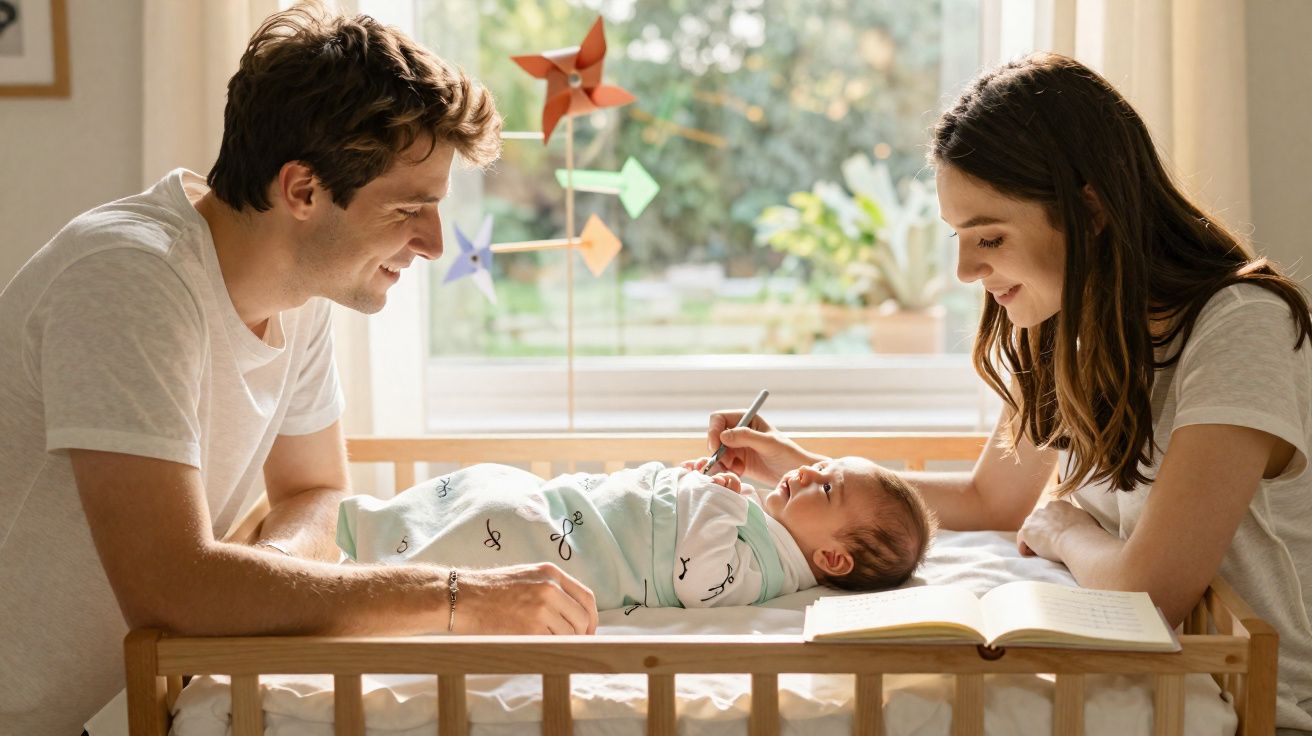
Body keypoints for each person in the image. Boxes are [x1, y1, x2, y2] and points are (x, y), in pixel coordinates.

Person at [0, 7, 599, 736]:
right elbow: (173, 589)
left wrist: (270, 581)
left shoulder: (300, 292)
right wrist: (457, 596)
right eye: (411, 207)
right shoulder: (130, 278)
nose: (437, 243)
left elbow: (316, 489)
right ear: (303, 192)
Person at [704, 53, 1312, 732]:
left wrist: (1065, 529)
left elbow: (1150, 589)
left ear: (1091, 210)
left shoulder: (1241, 327)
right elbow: (988, 500)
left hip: (1262, 708)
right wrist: (798, 464)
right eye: (959, 239)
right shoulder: (1068, 328)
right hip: (1166, 689)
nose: (965, 270)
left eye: (988, 236)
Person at [339, 456, 934, 612]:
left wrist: (714, 498)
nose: (806, 472)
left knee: (496, 518)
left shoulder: (772, 573)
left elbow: (699, 580)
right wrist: (701, 488)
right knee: (489, 487)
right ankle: (374, 529)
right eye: (823, 466)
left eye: (826, 489)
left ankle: (373, 559)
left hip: (582, 548)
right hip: (579, 507)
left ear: (831, 557)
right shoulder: (771, 528)